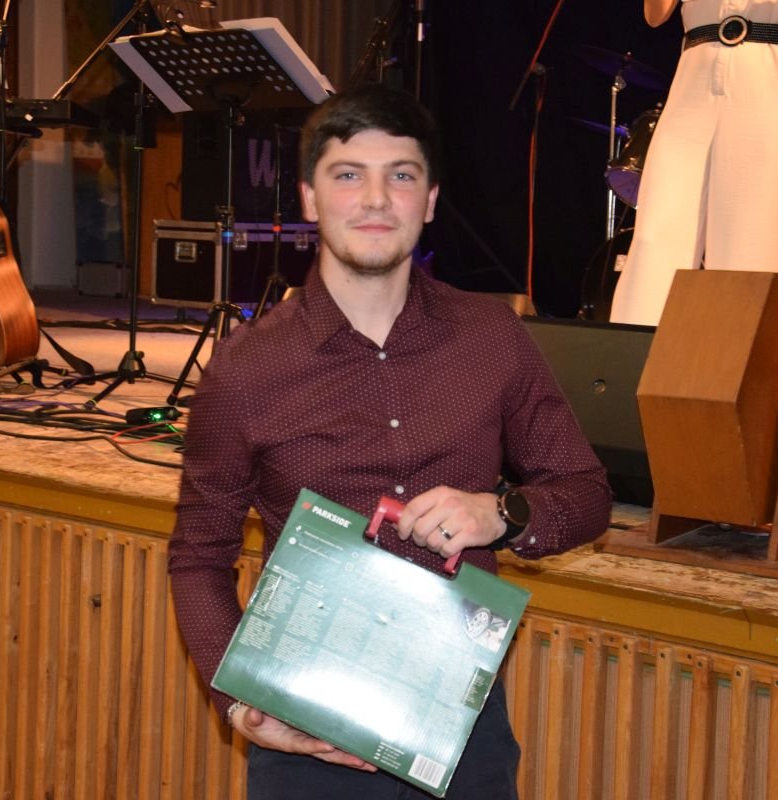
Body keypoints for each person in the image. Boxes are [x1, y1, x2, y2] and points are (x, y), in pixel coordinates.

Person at [168, 83, 612, 799]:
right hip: (308, 734)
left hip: (464, 728)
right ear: (309, 198)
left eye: (400, 175)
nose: (375, 199)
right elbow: (199, 554)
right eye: (348, 174)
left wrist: (500, 513)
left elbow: (586, 494)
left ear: (429, 200)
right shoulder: (245, 369)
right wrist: (241, 703)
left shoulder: (492, 336)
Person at [609, 0, 778, 326]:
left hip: (768, 67)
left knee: (748, 245)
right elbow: (655, 15)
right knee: (655, 235)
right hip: (695, 68)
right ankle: (634, 352)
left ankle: (728, 355)